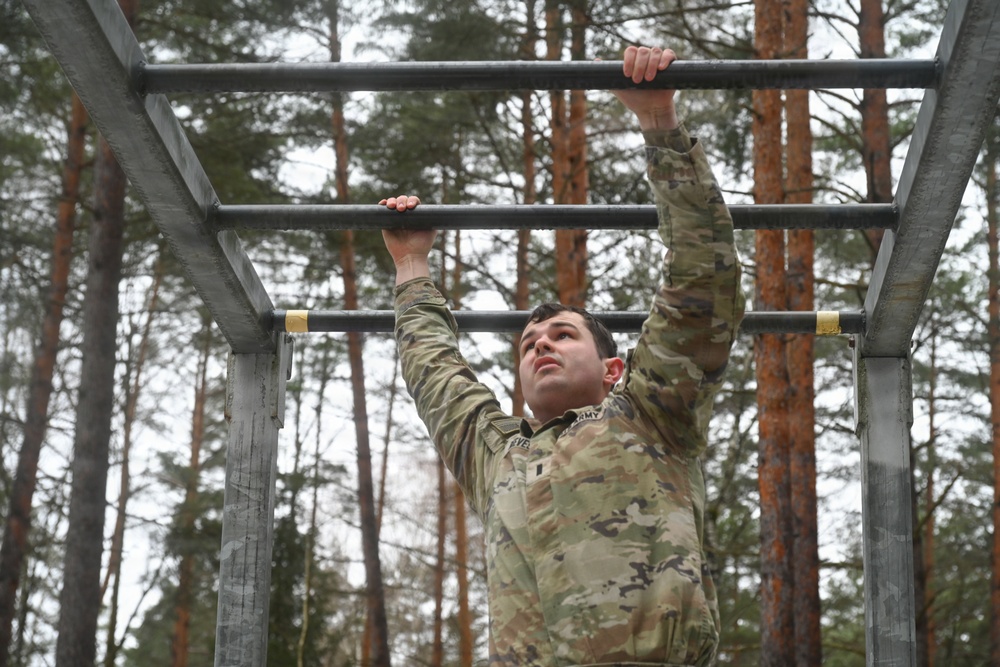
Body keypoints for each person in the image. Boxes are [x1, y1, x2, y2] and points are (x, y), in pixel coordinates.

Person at [379, 45, 745, 666]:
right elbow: (435, 375)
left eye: (563, 335)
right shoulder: (499, 457)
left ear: (613, 370)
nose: (541, 343)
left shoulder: (650, 415)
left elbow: (699, 285)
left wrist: (659, 124)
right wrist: (412, 265)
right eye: (528, 344)